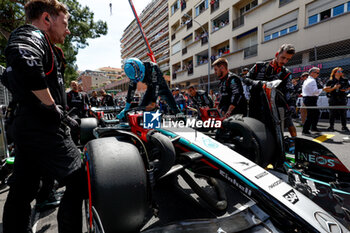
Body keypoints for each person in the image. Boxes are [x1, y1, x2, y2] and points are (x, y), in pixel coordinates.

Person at [1, 1, 85, 232]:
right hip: (43, 129)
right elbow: (22, 54)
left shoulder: (46, 45)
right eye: (65, 23)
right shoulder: (31, 34)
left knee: (23, 188)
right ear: (47, 19)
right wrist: (51, 108)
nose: (68, 30)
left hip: (28, 127)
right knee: (79, 180)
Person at [244, 44, 297, 137]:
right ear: (277, 54)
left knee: (276, 132)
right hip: (256, 103)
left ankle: (295, 145)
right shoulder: (259, 66)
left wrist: (292, 104)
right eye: (283, 57)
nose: (284, 61)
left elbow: (289, 90)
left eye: (288, 59)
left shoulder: (286, 73)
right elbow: (246, 79)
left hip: (274, 106)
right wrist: (259, 83)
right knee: (254, 130)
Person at [324, 67, 350, 132]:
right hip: (333, 98)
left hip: (342, 98)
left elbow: (348, 87)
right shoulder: (330, 81)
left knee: (343, 113)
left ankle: (344, 126)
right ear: (335, 73)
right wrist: (334, 87)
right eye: (339, 71)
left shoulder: (345, 80)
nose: (340, 72)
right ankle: (331, 126)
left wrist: (345, 89)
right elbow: (326, 90)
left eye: (341, 71)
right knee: (332, 113)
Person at [302, 67, 323, 135]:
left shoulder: (308, 80)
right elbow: (315, 92)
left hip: (309, 98)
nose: (318, 74)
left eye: (318, 73)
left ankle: (313, 127)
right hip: (310, 98)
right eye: (317, 73)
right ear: (312, 73)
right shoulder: (312, 80)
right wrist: (323, 89)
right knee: (311, 115)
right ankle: (305, 130)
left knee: (316, 113)